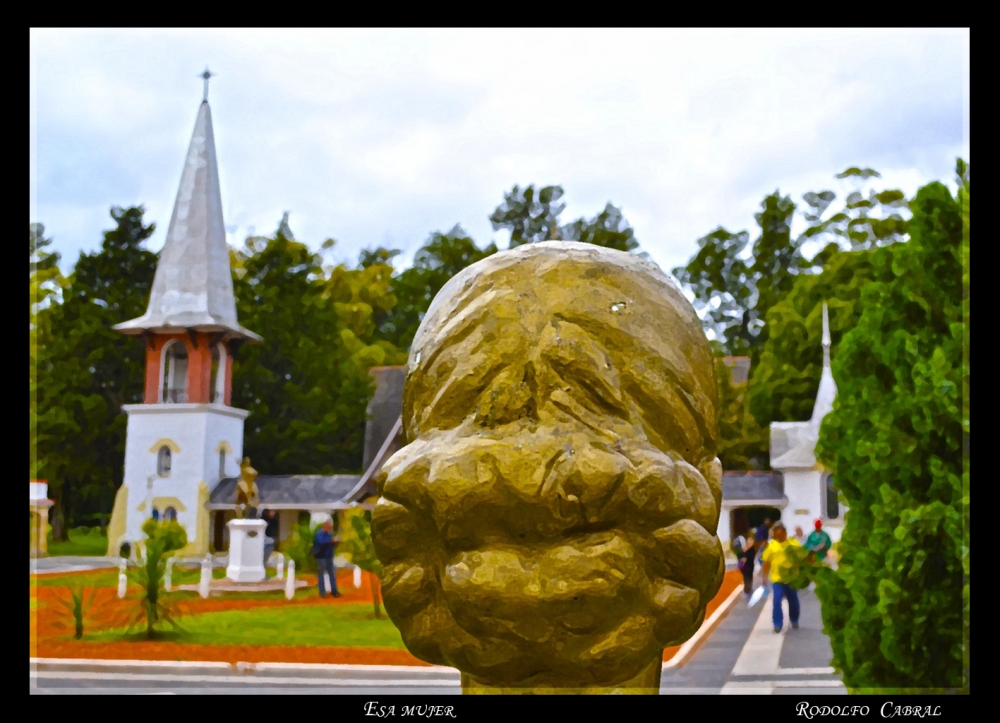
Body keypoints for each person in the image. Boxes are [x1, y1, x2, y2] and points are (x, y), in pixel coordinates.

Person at [761, 521, 803, 633]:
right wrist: (764, 577)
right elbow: (766, 562)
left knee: (793, 602)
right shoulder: (772, 546)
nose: (778, 537)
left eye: (780, 534)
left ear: (785, 533)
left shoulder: (793, 544)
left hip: (791, 579)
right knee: (776, 601)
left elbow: (801, 558)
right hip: (777, 580)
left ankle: (794, 619)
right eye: (776, 535)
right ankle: (777, 623)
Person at [312, 518, 341, 598]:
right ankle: (322, 593)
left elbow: (330, 544)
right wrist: (331, 541)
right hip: (321, 557)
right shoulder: (319, 534)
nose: (330, 529)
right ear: (325, 526)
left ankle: (334, 591)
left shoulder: (329, 534)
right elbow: (321, 542)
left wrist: (335, 542)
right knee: (321, 574)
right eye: (329, 527)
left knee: (332, 573)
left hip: (329, 556)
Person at [733, 532, 757, 597]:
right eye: (749, 541)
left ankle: (747, 591)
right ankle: (748, 590)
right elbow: (740, 555)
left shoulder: (752, 550)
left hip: (749, 567)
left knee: (748, 578)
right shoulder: (745, 549)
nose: (750, 542)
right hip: (746, 567)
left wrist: (744, 556)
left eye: (751, 541)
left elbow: (747, 558)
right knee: (746, 578)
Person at [262, 509, 279, 573]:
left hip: (270, 540)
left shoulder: (274, 520)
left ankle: (264, 568)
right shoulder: (264, 519)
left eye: (274, 511)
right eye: (271, 511)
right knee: (263, 557)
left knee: (266, 557)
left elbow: (275, 529)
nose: (273, 513)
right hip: (265, 539)